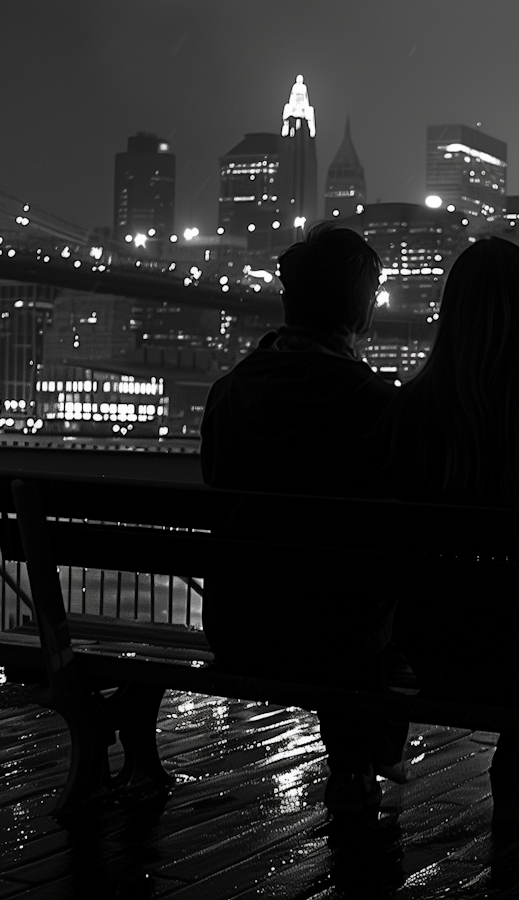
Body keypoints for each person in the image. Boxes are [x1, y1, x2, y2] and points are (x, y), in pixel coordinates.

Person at [381, 235, 519, 827]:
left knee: (513, 611)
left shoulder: (412, 404)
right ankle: (512, 757)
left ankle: (513, 759)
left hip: (429, 647)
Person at [200, 220, 403, 820]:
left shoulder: (227, 392)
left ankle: (359, 763)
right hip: (335, 638)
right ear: (364, 311)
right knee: (363, 598)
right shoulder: (373, 403)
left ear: (289, 301)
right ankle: (359, 762)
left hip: (237, 628)